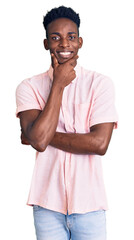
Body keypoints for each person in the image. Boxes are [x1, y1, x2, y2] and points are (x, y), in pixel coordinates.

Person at [16, 5, 118, 240]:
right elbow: (39, 142)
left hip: (90, 206)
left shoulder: (100, 84)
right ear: (46, 43)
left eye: (71, 37)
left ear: (80, 42)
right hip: (47, 206)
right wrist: (58, 84)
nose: (64, 45)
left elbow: (100, 144)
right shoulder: (28, 87)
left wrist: (37, 135)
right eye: (56, 38)